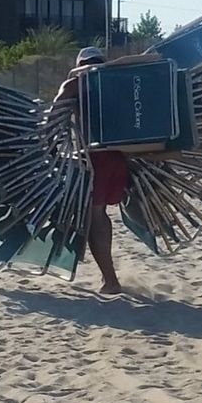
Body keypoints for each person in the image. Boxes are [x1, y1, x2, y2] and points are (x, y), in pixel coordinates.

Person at [52, 46, 126, 295]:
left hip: (96, 159)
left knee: (94, 217)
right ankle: (108, 276)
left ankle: (111, 281)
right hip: (120, 158)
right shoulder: (116, 83)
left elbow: (55, 112)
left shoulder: (75, 83)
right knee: (100, 214)